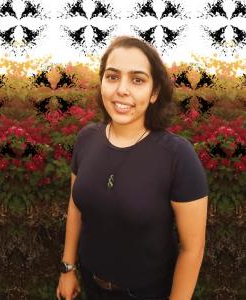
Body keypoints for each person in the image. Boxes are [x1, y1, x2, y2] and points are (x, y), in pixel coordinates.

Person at [56, 35, 209, 300]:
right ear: (102, 82)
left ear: (154, 93)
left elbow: (192, 249)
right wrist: (67, 269)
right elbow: (76, 205)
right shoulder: (86, 138)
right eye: (113, 77)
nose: (122, 90)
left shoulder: (178, 156)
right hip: (91, 287)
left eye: (137, 80)